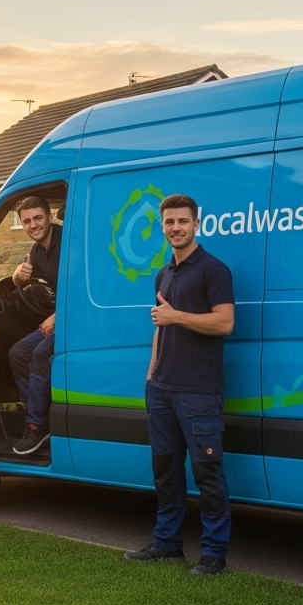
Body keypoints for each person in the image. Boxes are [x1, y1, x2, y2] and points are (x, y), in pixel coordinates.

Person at [124, 193, 235, 576]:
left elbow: (224, 323)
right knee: (166, 471)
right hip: (163, 388)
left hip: (198, 391)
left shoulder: (213, 270)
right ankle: (168, 543)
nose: (176, 228)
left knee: (208, 473)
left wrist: (177, 317)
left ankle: (214, 554)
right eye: (169, 222)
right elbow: (161, 323)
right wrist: (151, 373)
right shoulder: (164, 273)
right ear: (162, 226)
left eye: (182, 222)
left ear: (196, 224)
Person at [7, 196, 61, 455]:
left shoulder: (68, 240)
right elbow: (23, 279)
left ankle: (37, 426)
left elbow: (84, 288)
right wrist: (18, 275)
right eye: (27, 221)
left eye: (38, 218)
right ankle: (40, 418)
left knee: (40, 353)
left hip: (79, 319)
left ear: (50, 217)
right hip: (61, 317)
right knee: (18, 353)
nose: (33, 225)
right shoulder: (37, 251)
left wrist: (58, 317)